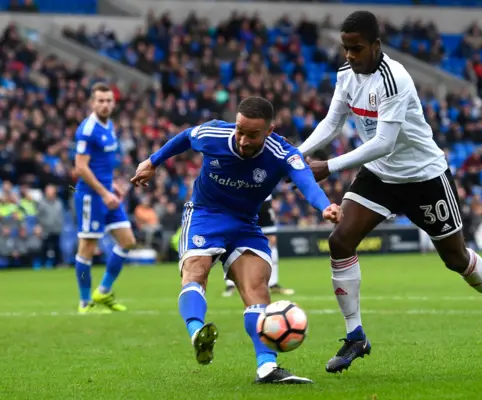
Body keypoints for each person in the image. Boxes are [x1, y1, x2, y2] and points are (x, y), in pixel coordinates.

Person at [297, 11, 482, 374]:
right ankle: (355, 336)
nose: (350, 55)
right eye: (345, 48)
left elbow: (384, 142)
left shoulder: (394, 79)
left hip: (423, 177)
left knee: (455, 258)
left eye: (357, 48)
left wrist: (330, 166)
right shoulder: (345, 75)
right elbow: (333, 122)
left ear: (376, 45)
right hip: (380, 177)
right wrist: (298, 155)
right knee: (340, 242)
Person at [130, 97, 341, 384]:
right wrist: (152, 161)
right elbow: (185, 137)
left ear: (269, 131)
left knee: (256, 288)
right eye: (240, 130)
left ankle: (267, 368)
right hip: (205, 214)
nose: (242, 139)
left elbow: (304, 178)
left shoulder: (281, 152)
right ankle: (197, 332)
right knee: (196, 271)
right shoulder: (215, 134)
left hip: (245, 224)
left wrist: (325, 206)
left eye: (252, 134)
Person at [73, 82, 136, 314]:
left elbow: (103, 165)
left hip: (107, 193)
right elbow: (80, 168)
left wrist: (114, 188)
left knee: (127, 241)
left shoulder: (109, 125)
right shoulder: (87, 130)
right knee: (87, 248)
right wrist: (104, 192)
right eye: (100, 100)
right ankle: (84, 301)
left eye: (109, 100)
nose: (105, 104)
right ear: (92, 102)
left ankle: (103, 291)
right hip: (91, 197)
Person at [222, 195, 295, 297]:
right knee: (232, 241)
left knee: (271, 242)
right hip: (239, 199)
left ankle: (272, 284)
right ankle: (231, 284)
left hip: (263, 200)